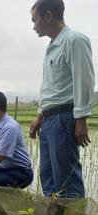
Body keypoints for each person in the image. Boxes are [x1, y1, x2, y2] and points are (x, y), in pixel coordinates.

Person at [29, 0, 95, 198]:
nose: (33, 26)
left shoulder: (74, 40)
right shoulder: (52, 46)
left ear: (48, 16)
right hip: (49, 120)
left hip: (64, 117)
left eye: (35, 20)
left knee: (66, 180)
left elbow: (84, 80)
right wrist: (40, 115)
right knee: (48, 177)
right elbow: (50, 86)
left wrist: (81, 119)